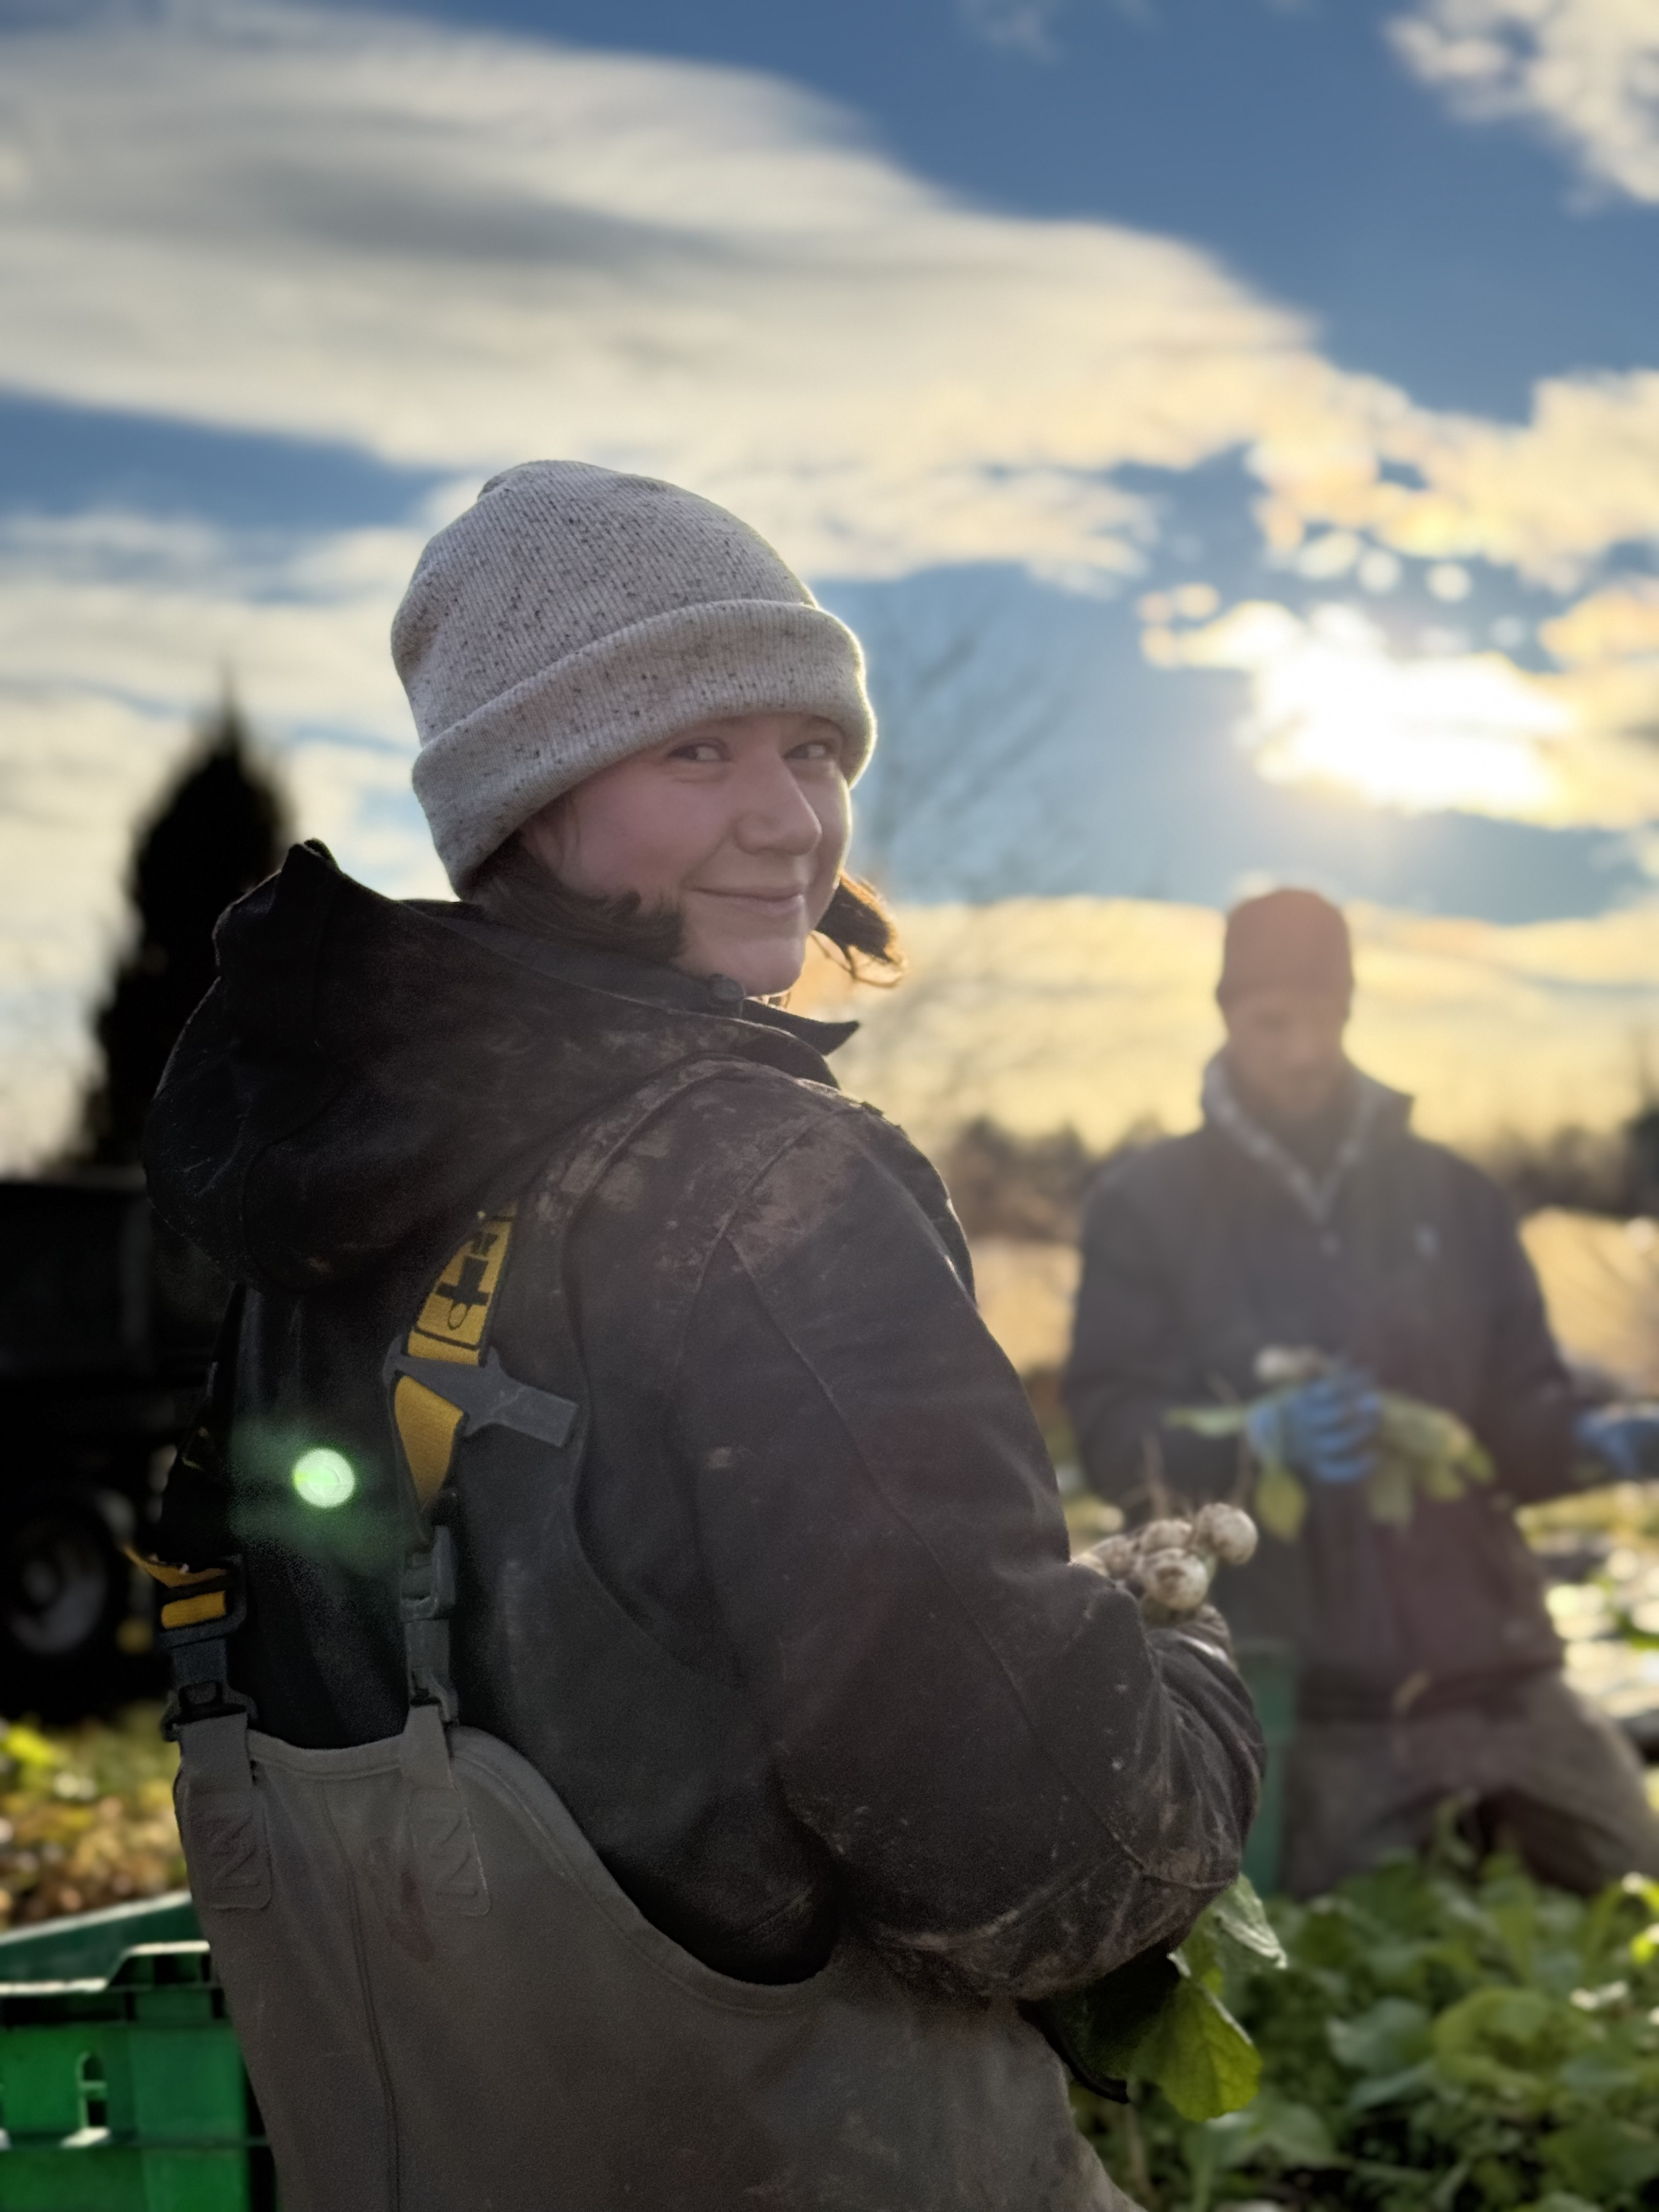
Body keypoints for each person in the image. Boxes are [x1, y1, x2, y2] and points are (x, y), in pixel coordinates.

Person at [142, 462, 1262, 2212]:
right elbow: (1025, 1853)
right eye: (693, 751)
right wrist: (1188, 1677)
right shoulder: (756, 1186)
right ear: (523, 794)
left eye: (810, 749)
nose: (787, 819)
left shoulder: (306, 1198)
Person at [1064, 886, 1659, 1902]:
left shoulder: (1453, 1196)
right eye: (1272, 1022)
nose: (1302, 1050)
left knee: (1633, 1893)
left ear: (1351, 1007)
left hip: (1493, 1658)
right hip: (1309, 1680)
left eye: (1324, 1016)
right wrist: (1253, 1443)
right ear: (1225, 1013)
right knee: (1333, 1950)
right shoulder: (1148, 1207)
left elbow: (1513, 1417)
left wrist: (1596, 1442)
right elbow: (1113, 1427)